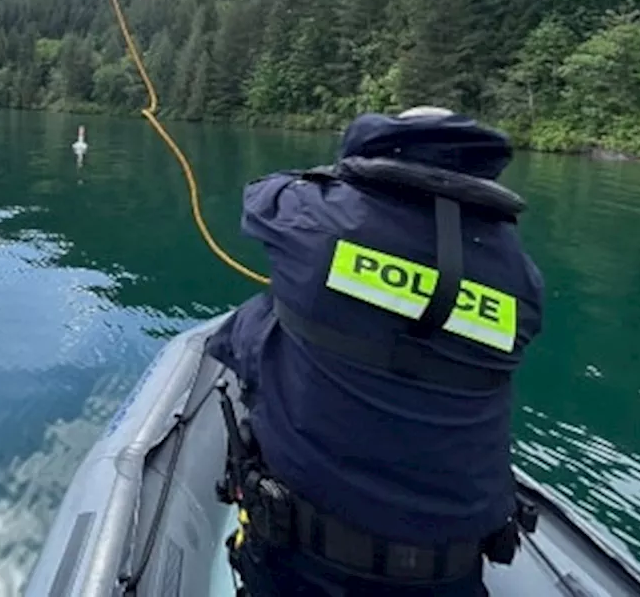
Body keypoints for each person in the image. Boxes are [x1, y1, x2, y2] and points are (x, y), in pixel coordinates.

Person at [206, 107, 545, 596]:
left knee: (263, 318)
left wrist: (339, 179)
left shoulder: (313, 217)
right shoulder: (523, 280)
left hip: (304, 566)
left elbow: (259, 195)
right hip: (450, 573)